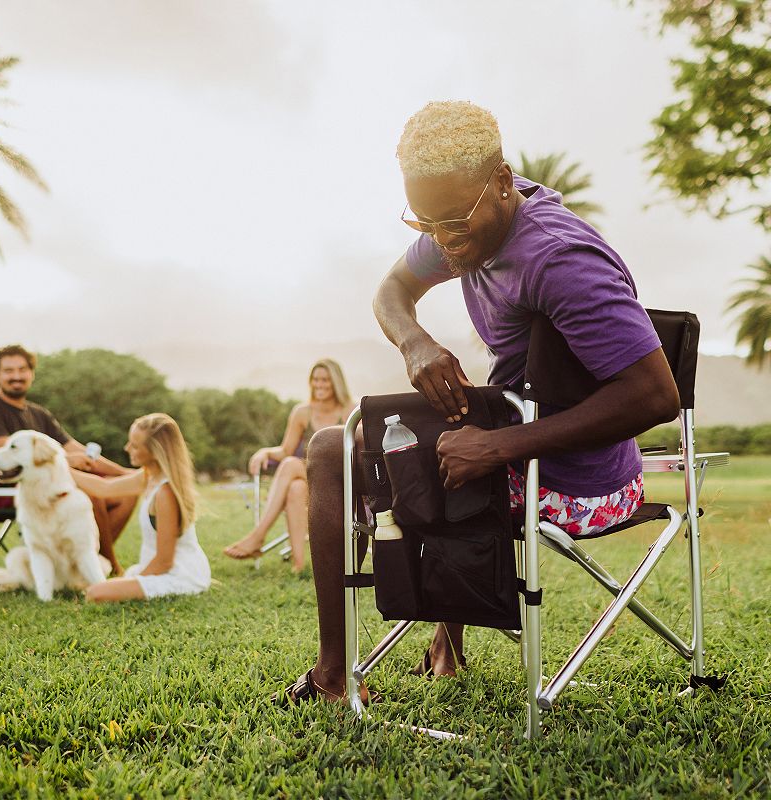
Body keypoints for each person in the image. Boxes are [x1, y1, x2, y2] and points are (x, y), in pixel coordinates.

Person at [280, 100, 680, 704]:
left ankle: (336, 676)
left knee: (337, 450)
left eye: (451, 223)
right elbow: (391, 290)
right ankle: (425, 647)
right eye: (423, 224)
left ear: (500, 183)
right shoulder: (463, 213)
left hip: (583, 483)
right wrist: (414, 343)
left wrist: (500, 446)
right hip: (513, 434)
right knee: (417, 428)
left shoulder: (561, 259)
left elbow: (656, 395)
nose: (442, 240)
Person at [0, 344, 136, 575]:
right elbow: (10, 457)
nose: (17, 376)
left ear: (31, 373)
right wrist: (67, 460)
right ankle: (109, 567)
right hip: (12, 490)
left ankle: (86, 559)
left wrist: (127, 474)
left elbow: (80, 451)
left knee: (125, 493)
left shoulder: (39, 414)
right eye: (9, 371)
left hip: (53, 485)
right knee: (89, 493)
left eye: (22, 369)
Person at [223, 359, 354, 574]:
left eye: (325, 380)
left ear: (336, 382)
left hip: (341, 478)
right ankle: (299, 565)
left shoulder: (350, 409)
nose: (319, 384)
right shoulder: (302, 413)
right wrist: (264, 452)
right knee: (295, 488)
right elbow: (285, 450)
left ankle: (258, 536)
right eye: (315, 379)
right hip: (310, 479)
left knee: (291, 464)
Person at [75, 413, 210, 602]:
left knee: (95, 593)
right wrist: (60, 466)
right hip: (156, 568)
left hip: (177, 574)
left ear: (155, 451)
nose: (127, 448)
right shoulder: (148, 476)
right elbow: (104, 488)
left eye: (135, 445)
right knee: (101, 587)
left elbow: (164, 561)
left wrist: (135, 582)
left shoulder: (165, 493)